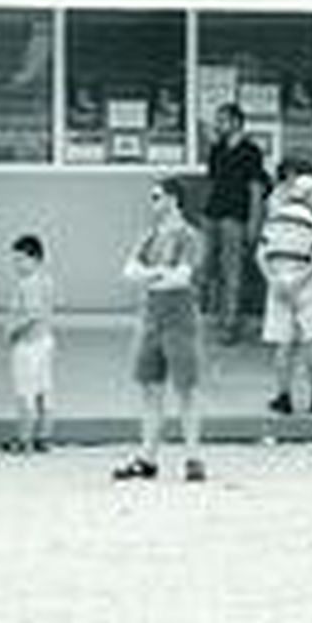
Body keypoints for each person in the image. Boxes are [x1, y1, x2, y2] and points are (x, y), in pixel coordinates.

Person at [114, 177, 207, 483]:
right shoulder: (150, 236)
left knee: (186, 390)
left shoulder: (189, 236)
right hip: (151, 317)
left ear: (173, 199)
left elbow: (182, 277)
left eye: (156, 197)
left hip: (180, 319)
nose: (152, 202)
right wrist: (157, 273)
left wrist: (149, 275)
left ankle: (193, 458)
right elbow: (128, 271)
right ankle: (147, 457)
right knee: (150, 388)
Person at [258, 168, 312, 415]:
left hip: (278, 283)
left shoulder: (274, 218)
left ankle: (283, 396)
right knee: (311, 339)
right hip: (307, 284)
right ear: (309, 194)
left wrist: (275, 281)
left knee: (283, 343)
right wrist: (300, 281)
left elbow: (260, 254)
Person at [203, 103, 272, 345]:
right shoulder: (217, 149)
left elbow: (256, 188)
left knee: (233, 269)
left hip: (236, 216)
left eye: (222, 120)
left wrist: (255, 220)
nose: (217, 124)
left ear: (235, 122)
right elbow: (212, 181)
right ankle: (217, 316)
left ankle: (231, 324)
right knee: (208, 267)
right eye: (217, 120)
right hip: (213, 213)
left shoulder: (251, 151)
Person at [7, 234, 55, 452]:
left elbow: (32, 315)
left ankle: (24, 438)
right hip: (45, 341)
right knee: (44, 391)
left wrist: (13, 332)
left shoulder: (27, 283)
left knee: (24, 393)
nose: (16, 265)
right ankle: (43, 437)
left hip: (28, 345)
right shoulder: (47, 281)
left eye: (20, 260)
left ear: (35, 258)